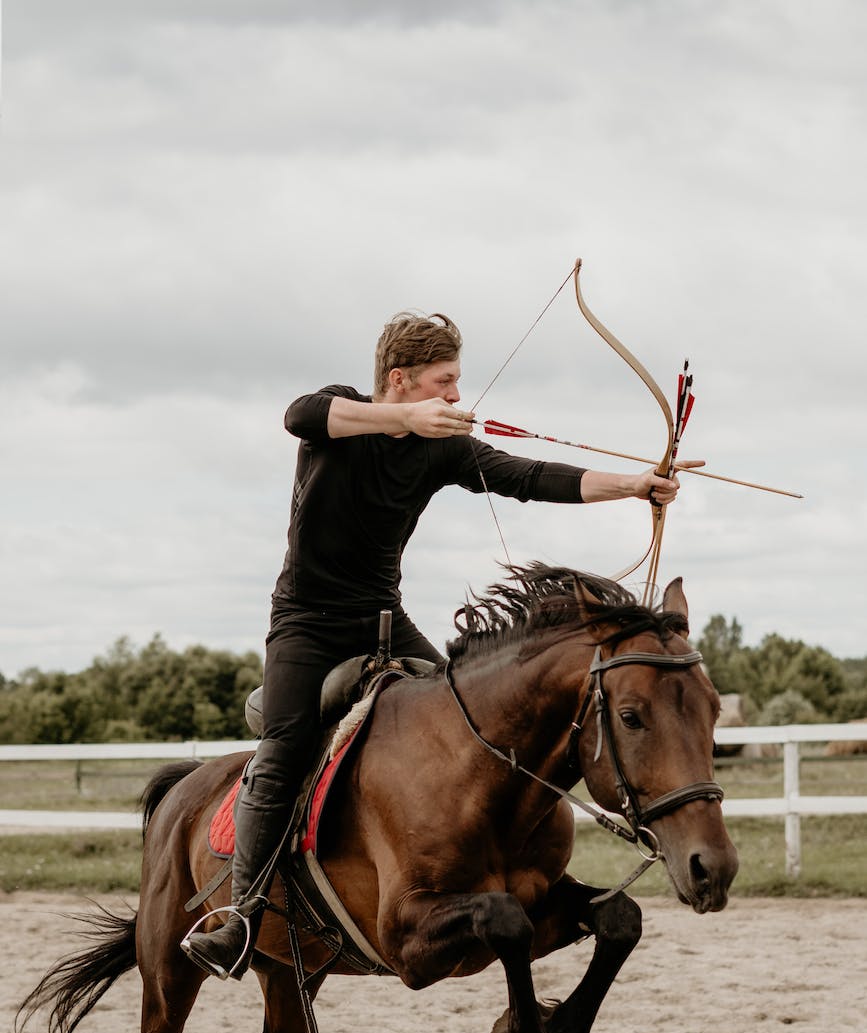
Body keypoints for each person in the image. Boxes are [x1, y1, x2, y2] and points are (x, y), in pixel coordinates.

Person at [182, 310, 698, 980]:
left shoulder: (441, 449)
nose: (456, 396)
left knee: (459, 721)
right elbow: (298, 414)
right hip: (306, 627)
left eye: (456, 383)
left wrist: (630, 486)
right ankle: (240, 917)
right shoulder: (338, 418)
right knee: (282, 750)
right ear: (399, 380)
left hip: (384, 621)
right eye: (444, 382)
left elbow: (529, 476)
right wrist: (402, 420)